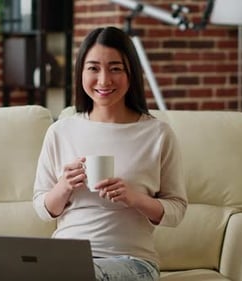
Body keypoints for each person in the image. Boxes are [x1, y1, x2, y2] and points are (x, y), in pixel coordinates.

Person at [32, 26, 187, 281]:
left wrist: (133, 198)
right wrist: (63, 187)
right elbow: (41, 206)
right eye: (93, 68)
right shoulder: (61, 131)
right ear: (81, 72)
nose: (104, 80)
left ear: (131, 74)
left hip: (134, 263)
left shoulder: (158, 134)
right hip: (65, 259)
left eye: (115, 69)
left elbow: (177, 209)